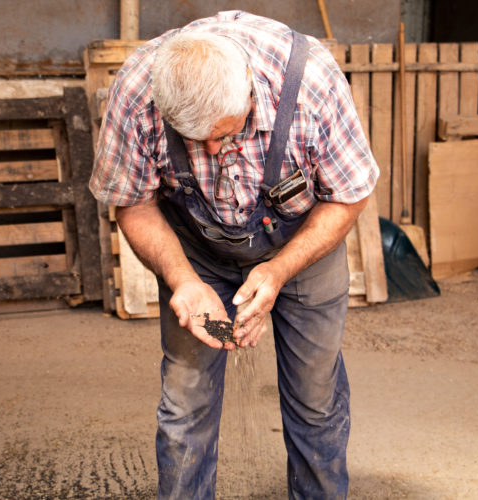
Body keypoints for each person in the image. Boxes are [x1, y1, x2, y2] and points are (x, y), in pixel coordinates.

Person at [89, 10, 379, 499]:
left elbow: (348, 196)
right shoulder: (137, 93)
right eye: (195, 141)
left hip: (302, 248)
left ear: (249, 88)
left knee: (315, 400)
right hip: (196, 257)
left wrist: (280, 269)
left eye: (224, 135)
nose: (212, 151)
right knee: (186, 404)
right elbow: (133, 204)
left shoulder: (312, 84)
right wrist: (182, 280)